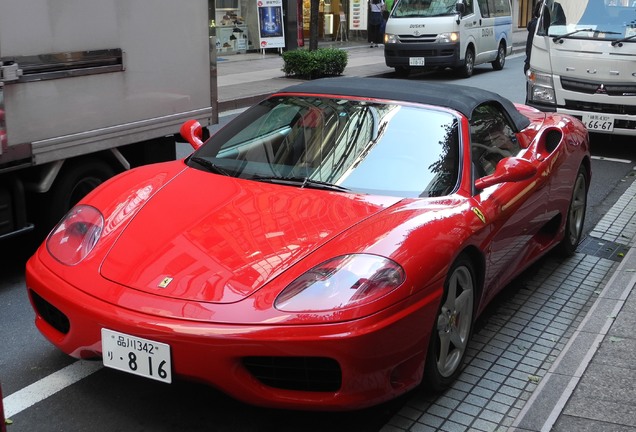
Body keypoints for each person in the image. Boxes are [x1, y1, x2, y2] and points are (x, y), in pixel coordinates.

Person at [524, 2, 542, 74]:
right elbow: (530, 43)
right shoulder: (537, 25)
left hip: (530, 60)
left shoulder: (535, 24)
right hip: (533, 62)